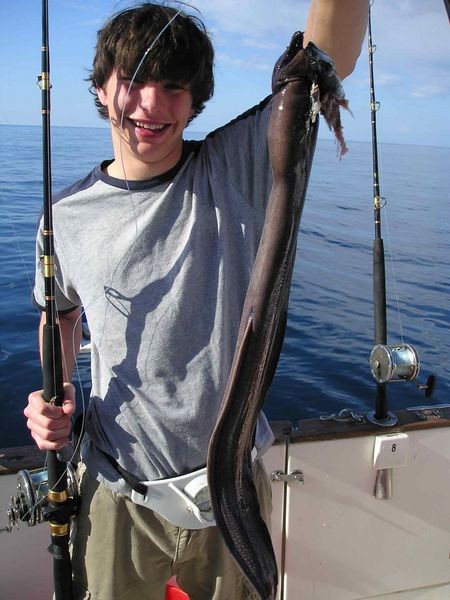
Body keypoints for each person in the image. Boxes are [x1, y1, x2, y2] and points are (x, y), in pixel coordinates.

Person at [24, 2, 368, 598]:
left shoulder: (236, 167)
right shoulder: (65, 217)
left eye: (173, 87)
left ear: (195, 102)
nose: (151, 104)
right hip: (119, 489)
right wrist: (53, 394)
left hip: (229, 492)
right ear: (101, 88)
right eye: (133, 81)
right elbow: (60, 314)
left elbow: (325, 58)